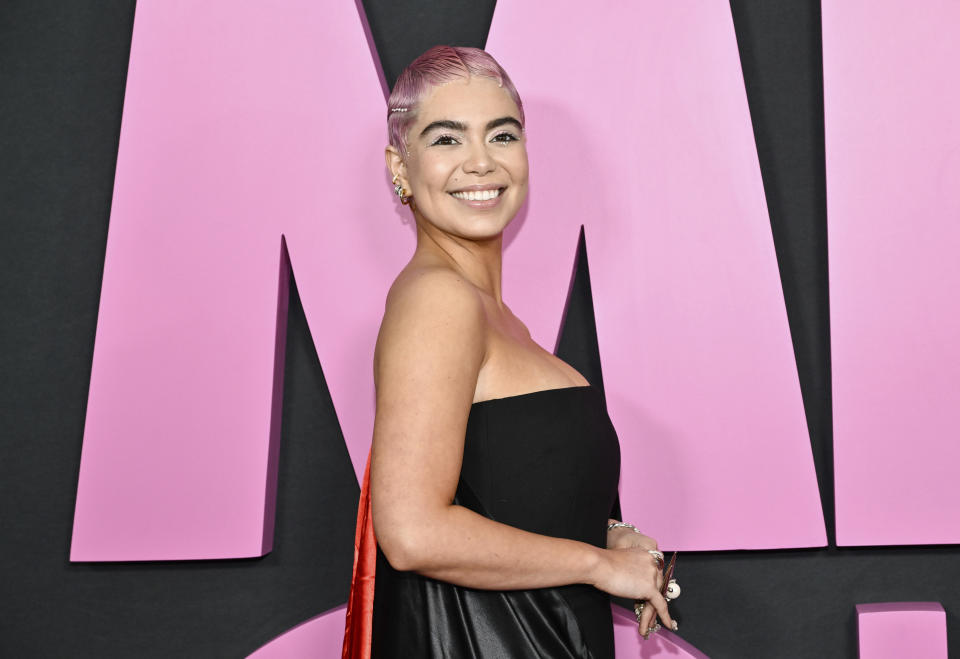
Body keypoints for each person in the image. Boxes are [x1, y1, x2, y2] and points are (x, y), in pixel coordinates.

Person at [342, 45, 676, 659]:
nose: (480, 162)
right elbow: (412, 532)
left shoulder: (495, 317)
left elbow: (501, 491)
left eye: (502, 134)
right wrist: (599, 567)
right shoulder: (438, 302)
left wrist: (609, 534)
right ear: (399, 166)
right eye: (446, 139)